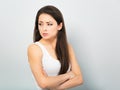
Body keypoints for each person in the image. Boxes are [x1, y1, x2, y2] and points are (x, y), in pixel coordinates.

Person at [27, 5, 83, 90]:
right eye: (40, 24)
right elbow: (43, 83)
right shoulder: (34, 48)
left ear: (59, 26)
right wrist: (68, 75)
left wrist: (54, 87)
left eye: (49, 24)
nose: (44, 28)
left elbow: (79, 79)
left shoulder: (67, 47)